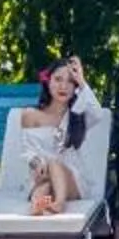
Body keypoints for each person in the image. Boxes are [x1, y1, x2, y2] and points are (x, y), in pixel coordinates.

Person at [20, 57, 94, 216]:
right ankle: (39, 207)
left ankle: (59, 203)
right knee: (44, 185)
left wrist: (81, 81)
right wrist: (37, 163)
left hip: (72, 181)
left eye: (70, 81)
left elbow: (98, 114)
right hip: (43, 174)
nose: (63, 86)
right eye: (58, 79)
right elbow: (29, 151)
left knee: (54, 163)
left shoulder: (78, 113)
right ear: (48, 81)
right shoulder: (30, 115)